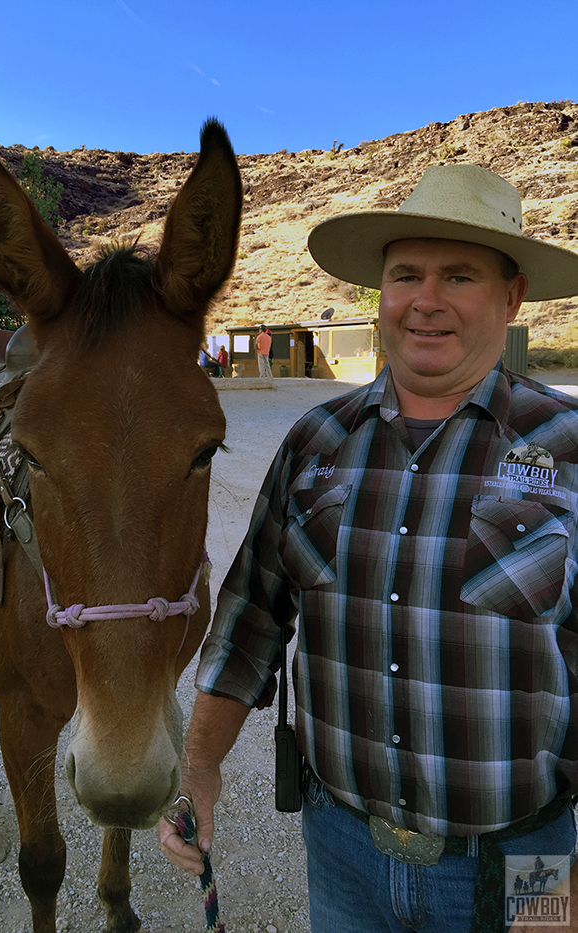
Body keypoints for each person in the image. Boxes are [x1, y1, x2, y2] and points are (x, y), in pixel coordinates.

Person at [159, 163, 578, 932]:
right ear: (379, 295)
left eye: (460, 275)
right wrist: (200, 769)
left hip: (528, 857)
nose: (427, 300)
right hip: (344, 848)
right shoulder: (315, 442)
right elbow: (251, 614)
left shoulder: (569, 446)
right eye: (406, 274)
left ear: (513, 295)